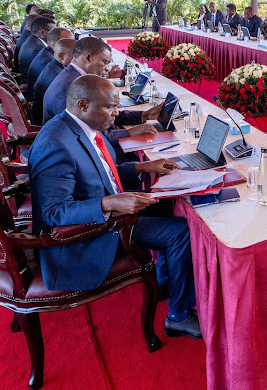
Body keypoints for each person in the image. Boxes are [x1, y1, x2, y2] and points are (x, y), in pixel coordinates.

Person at [30, 75, 201, 338]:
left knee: (168, 204)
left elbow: (103, 174)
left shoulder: (80, 127)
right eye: (110, 107)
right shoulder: (56, 143)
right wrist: (109, 202)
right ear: (84, 105)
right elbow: (53, 212)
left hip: (108, 209)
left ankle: (165, 281)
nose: (117, 113)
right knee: (180, 233)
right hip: (86, 235)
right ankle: (178, 316)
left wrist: (145, 166)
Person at [42, 37, 160, 143]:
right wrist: (129, 133)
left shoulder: (73, 76)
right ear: (88, 57)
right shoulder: (71, 87)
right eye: (105, 62)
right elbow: (86, 136)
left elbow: (100, 114)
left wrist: (144, 115)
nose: (107, 68)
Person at [33, 38, 75, 125]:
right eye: (75, 56)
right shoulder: (61, 78)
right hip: (47, 124)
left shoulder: (54, 67)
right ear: (61, 56)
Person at [27, 27, 74, 96]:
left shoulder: (48, 54)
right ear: (57, 44)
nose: (74, 43)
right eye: (69, 41)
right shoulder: (47, 60)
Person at [18, 16, 56, 89]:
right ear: (42, 31)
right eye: (53, 31)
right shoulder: (38, 48)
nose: (55, 34)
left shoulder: (34, 41)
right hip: (32, 87)